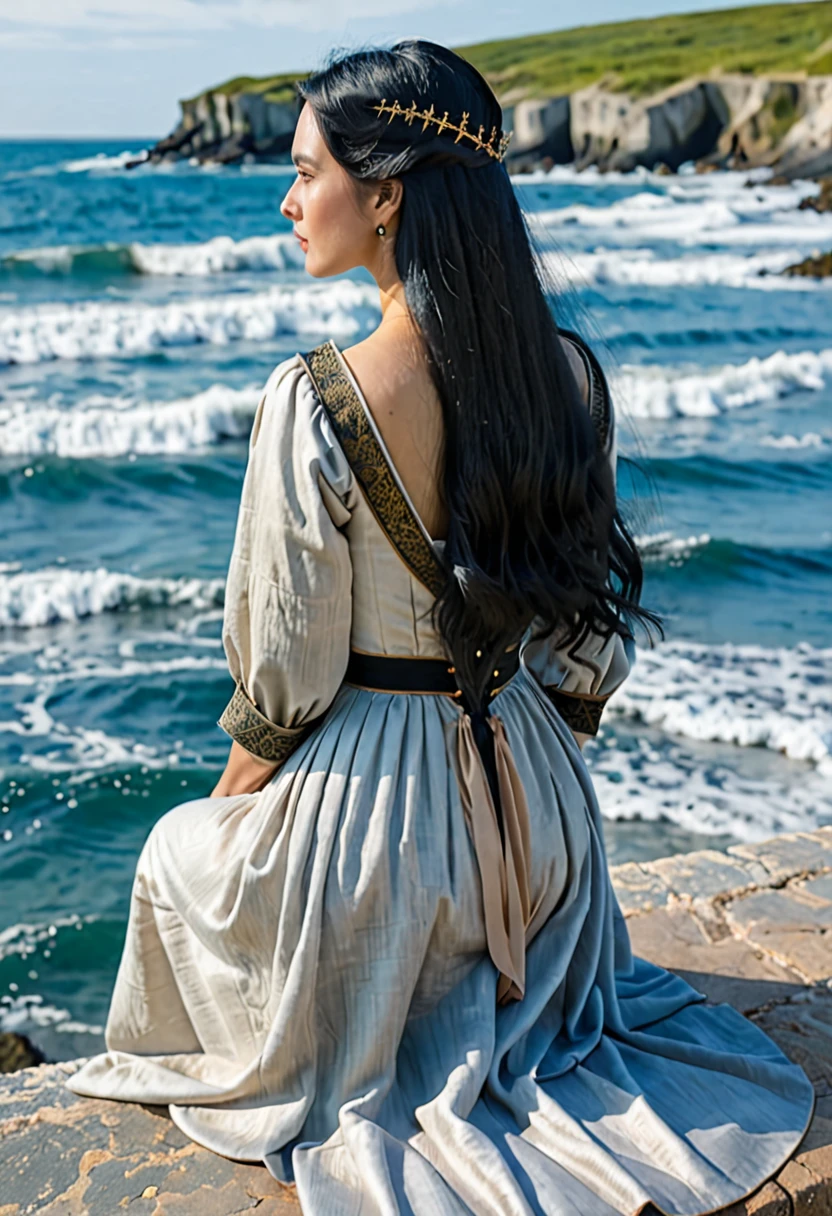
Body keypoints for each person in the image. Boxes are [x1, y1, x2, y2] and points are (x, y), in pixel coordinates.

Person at [66, 39, 814, 1216]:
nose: (286, 194)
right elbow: (582, 650)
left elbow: (290, 679)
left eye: (306, 169)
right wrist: (529, 763)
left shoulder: (314, 399)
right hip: (546, 838)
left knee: (176, 854)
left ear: (386, 194)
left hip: (382, 849)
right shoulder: (563, 376)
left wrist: (227, 802)